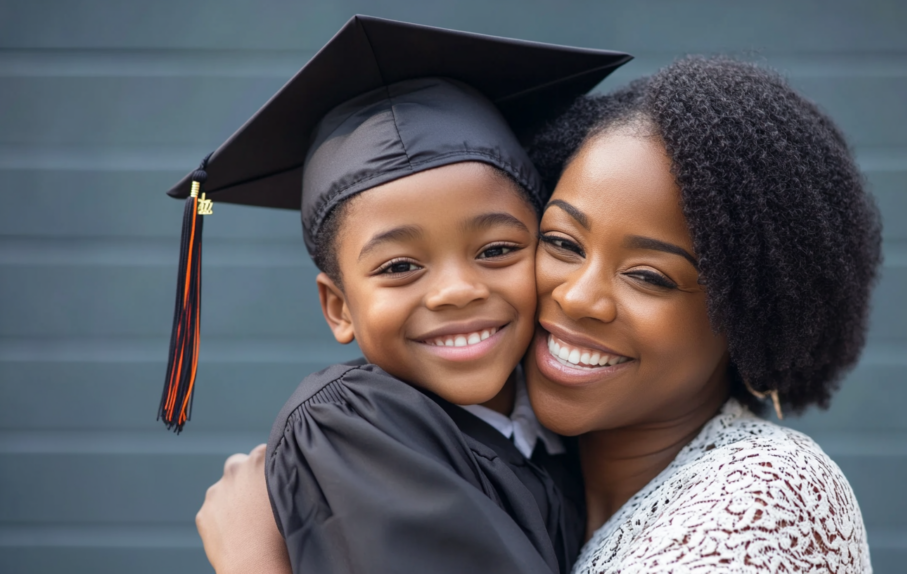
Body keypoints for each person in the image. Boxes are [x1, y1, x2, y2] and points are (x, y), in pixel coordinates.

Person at [199, 56, 881, 573]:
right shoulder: (448, 438)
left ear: (748, 308)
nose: (580, 297)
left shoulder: (761, 497)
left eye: (649, 275)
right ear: (337, 304)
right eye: (561, 242)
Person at [172, 14, 630, 574]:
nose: (458, 291)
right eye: (399, 265)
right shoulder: (356, 427)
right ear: (338, 308)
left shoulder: (560, 418)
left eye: (496, 251)